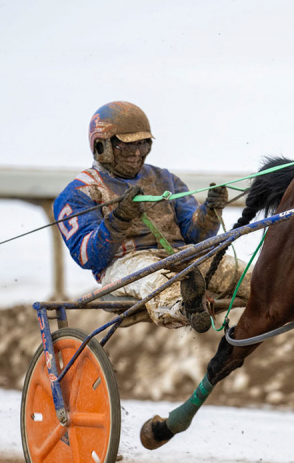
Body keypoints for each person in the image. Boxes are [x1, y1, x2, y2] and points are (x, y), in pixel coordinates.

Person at [53, 101, 250, 332]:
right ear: (101, 146)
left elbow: (195, 235)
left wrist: (210, 212)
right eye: (127, 147)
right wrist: (120, 219)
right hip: (125, 264)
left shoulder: (165, 179)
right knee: (155, 278)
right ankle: (187, 308)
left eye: (144, 145)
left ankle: (293, 295)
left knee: (240, 272)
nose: (137, 154)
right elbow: (87, 257)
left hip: (181, 256)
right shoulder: (78, 193)